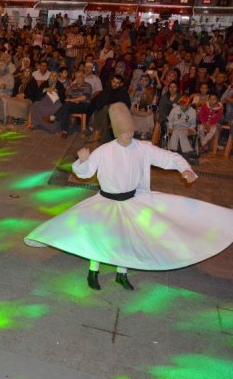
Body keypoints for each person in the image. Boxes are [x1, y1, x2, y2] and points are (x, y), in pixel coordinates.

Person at [24, 103, 233, 290]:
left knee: (126, 239)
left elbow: (169, 157)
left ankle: (121, 274)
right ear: (116, 132)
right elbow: (85, 173)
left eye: (131, 131)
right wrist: (82, 161)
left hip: (132, 201)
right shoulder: (104, 151)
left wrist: (184, 169)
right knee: (102, 238)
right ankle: (93, 272)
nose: (129, 135)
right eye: (125, 133)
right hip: (107, 202)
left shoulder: (142, 148)